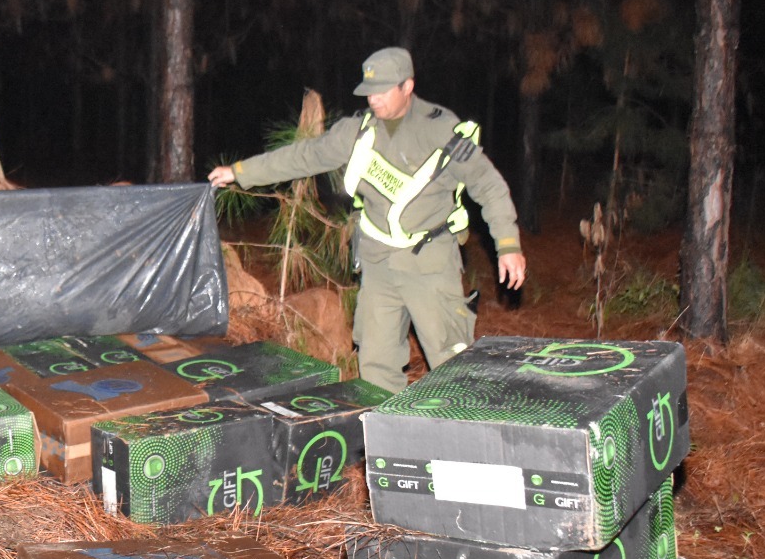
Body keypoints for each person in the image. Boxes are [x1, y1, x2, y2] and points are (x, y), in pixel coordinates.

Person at [208, 46, 526, 392]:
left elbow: (490, 186)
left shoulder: (441, 131)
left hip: (430, 267)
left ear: (408, 86)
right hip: (377, 266)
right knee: (375, 367)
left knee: (452, 368)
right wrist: (240, 172)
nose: (373, 100)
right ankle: (385, 442)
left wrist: (508, 245)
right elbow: (304, 156)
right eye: (369, 92)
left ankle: (462, 439)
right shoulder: (357, 132)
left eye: (382, 91)